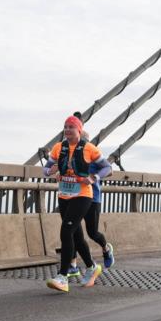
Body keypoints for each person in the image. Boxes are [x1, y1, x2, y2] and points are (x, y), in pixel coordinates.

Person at [47, 114, 114, 278]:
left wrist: (93, 178)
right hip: (69, 195)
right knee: (73, 231)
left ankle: (105, 249)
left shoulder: (89, 151)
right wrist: (54, 171)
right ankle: (75, 266)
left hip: (91, 197)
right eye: (66, 128)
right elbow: (51, 167)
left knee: (91, 232)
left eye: (73, 129)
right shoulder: (63, 151)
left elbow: (108, 169)